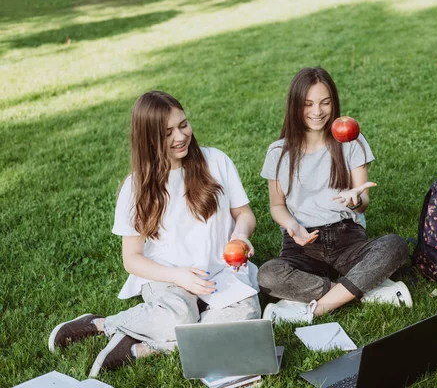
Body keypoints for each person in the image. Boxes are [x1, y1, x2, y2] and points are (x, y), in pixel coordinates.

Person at [48, 91, 261, 377]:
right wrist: (179, 276)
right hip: (168, 278)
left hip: (223, 273)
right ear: (149, 138)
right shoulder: (135, 187)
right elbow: (132, 259)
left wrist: (241, 235)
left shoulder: (216, 161)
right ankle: (101, 324)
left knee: (245, 317)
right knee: (182, 314)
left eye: (183, 125)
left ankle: (138, 347)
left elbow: (244, 214)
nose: (180, 137)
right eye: (167, 133)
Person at [258, 67, 413, 325]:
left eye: (325, 102)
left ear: (334, 103)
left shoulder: (351, 141)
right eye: (308, 104)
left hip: (347, 239)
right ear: (295, 106)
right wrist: (292, 225)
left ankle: (317, 307)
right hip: (302, 246)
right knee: (267, 276)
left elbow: (363, 204)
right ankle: (361, 291)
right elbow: (277, 206)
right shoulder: (278, 152)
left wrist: (356, 199)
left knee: (395, 245)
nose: (317, 112)